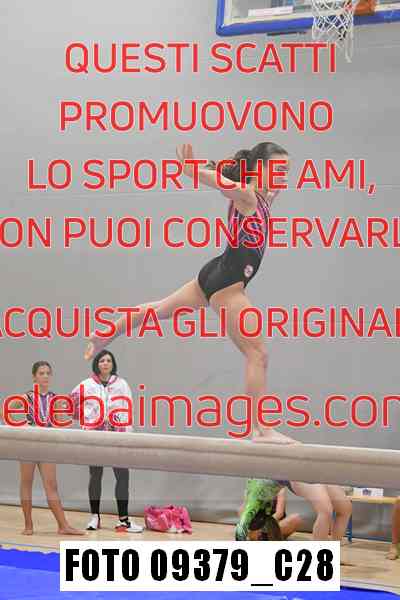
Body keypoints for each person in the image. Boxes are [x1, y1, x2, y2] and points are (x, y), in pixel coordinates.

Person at [84, 142, 294, 444]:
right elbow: (223, 184)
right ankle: (260, 429)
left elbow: (231, 177)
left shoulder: (263, 196)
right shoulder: (247, 195)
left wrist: (212, 167)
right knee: (257, 353)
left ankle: (107, 333)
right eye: (279, 169)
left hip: (215, 272)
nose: (285, 176)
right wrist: (194, 171)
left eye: (287, 170)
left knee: (160, 309)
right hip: (228, 285)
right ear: (259, 169)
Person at [71, 350, 143, 533]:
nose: (105, 363)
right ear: (97, 363)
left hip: (117, 436)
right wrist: (86, 419)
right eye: (102, 360)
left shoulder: (122, 384)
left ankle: (123, 520)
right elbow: (71, 403)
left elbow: (128, 408)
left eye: (108, 360)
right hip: (95, 436)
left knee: (122, 475)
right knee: (95, 475)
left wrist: (127, 434)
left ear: (113, 364)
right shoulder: (86, 385)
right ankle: (94, 517)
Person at [17, 361, 82, 536]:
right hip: (28, 444)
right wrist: (21, 425)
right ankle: (28, 524)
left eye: (48, 373)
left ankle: (63, 525)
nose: (45, 376)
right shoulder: (26, 397)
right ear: (34, 377)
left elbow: (60, 424)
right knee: (26, 483)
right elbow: (4, 411)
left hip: (46, 446)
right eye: (41, 373)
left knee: (51, 485)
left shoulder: (55, 399)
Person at [237, 478, 352, 542]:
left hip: (304, 467)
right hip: (295, 475)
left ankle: (332, 550)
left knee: (345, 509)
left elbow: (279, 512)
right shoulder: (252, 502)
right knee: (325, 510)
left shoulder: (252, 500)